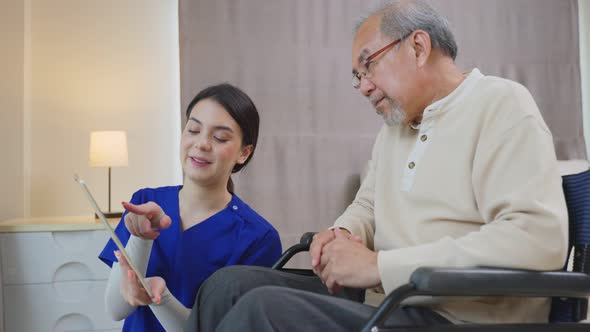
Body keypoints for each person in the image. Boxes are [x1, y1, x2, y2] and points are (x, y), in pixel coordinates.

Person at [183, 1, 569, 331]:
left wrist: (380, 267)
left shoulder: (501, 104)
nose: (364, 85)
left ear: (418, 47)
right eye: (357, 76)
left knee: (263, 309)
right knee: (227, 285)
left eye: (368, 65)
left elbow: (536, 239)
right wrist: (341, 233)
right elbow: (368, 207)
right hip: (391, 301)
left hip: (456, 316)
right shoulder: (395, 130)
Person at [98, 83, 282, 332]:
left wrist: (161, 300)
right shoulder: (145, 203)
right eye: (194, 129)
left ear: (244, 153)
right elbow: (115, 310)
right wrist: (142, 239)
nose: (202, 144)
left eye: (219, 137)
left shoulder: (258, 238)